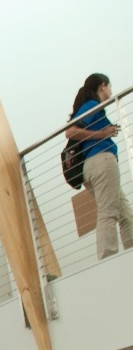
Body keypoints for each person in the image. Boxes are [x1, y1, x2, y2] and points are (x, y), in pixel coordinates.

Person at [67, 73, 133, 259]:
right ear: (102, 86)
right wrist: (102, 134)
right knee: (109, 211)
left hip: (93, 165)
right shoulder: (92, 105)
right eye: (109, 87)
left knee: (126, 214)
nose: (111, 91)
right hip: (101, 161)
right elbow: (70, 131)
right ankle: (108, 261)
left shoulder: (92, 107)